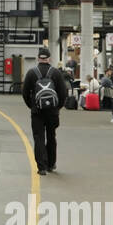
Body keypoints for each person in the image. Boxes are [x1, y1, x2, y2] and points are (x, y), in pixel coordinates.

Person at [22, 45, 69, 175]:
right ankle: (51, 164)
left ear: (38, 58)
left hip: (37, 112)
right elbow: (63, 93)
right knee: (51, 136)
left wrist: (32, 106)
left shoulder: (32, 73)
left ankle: (41, 167)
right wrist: (57, 107)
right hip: (52, 112)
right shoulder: (56, 73)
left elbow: (25, 93)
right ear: (49, 58)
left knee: (39, 138)